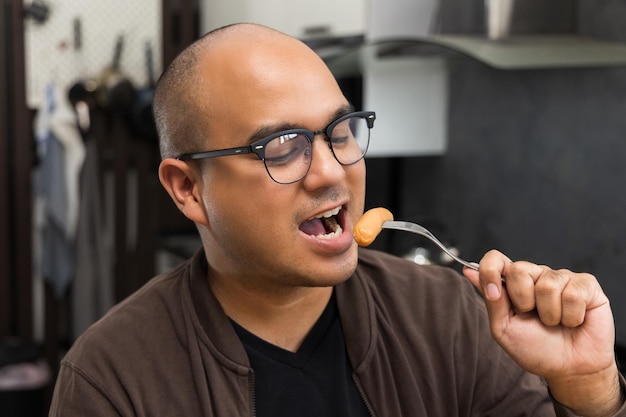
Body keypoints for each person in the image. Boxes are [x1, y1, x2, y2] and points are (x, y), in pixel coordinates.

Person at [49, 23, 625, 417]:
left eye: (341, 132)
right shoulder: (114, 379)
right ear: (187, 188)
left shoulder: (450, 318)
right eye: (281, 145)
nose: (331, 173)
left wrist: (586, 390)